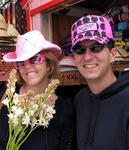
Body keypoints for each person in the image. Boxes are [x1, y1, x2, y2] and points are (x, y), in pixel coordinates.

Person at [0, 30, 75, 150]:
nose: (27, 66)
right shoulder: (9, 96)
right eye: (21, 62)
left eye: (34, 59)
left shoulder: (64, 110)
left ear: (49, 65)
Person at [71, 14, 129, 150]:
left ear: (112, 54)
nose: (87, 57)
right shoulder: (79, 100)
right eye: (80, 50)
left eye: (96, 47)